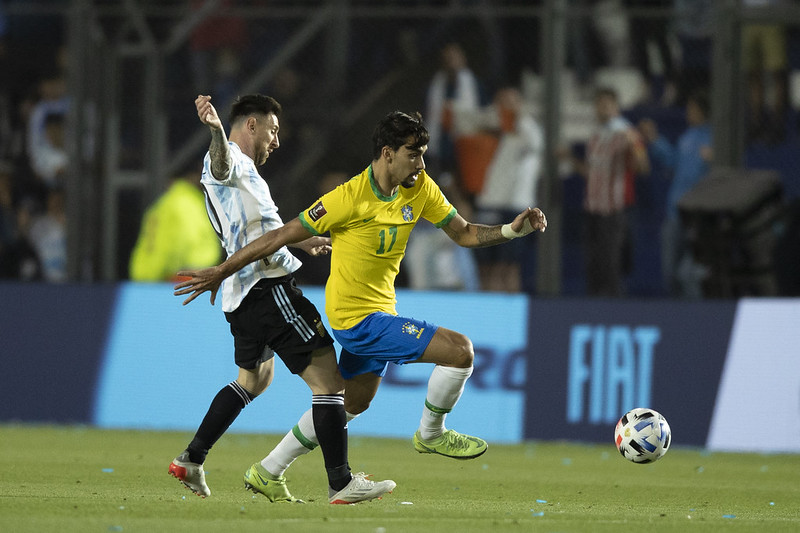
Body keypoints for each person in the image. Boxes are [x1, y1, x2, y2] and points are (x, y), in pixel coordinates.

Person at [174, 110, 547, 500]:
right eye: (412, 154)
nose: (420, 164)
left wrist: (511, 230)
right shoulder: (347, 198)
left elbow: (466, 233)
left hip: (382, 310)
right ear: (387, 153)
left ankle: (268, 470)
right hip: (355, 320)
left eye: (422, 154)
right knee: (459, 351)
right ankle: (430, 434)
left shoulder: (419, 189)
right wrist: (222, 270)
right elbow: (279, 235)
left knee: (351, 402)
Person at [168, 94, 395, 505]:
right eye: (272, 130)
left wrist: (305, 241)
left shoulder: (249, 175)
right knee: (329, 384)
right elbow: (219, 162)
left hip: (242, 297)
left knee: (254, 380)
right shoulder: (230, 159)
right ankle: (341, 482)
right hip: (269, 289)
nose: (276, 140)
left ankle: (193, 458)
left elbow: (262, 227)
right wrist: (217, 131)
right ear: (251, 125)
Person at [562, 87, 649, 296]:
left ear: (616, 107)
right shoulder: (596, 136)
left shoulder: (624, 133)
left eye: (608, 104)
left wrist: (635, 148)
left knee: (611, 264)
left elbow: (643, 167)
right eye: (600, 104)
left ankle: (613, 310)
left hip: (613, 209)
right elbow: (591, 172)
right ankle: (594, 309)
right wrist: (569, 160)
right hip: (593, 207)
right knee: (593, 265)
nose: (603, 108)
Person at [638, 90, 712, 297]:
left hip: (698, 216)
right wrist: (654, 139)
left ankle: (695, 316)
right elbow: (672, 161)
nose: (688, 113)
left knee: (689, 272)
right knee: (670, 272)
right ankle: (677, 314)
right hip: (675, 213)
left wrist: (715, 159)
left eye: (692, 109)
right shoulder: (687, 138)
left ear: (702, 111)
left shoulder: (715, 138)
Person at [129, 171, 222, 282]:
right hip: (185, 276)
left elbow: (160, 244)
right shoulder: (190, 202)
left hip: (170, 278)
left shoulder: (168, 203)